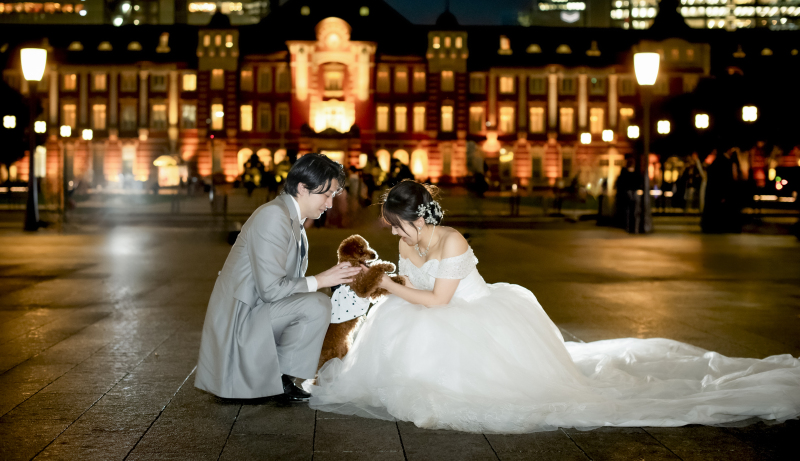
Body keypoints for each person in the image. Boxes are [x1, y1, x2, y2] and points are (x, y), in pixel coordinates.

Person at [308, 180, 800, 433]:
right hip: (421, 311)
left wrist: (388, 287)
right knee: (398, 332)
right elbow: (412, 285)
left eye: (397, 225)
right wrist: (385, 277)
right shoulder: (407, 240)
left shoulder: (452, 241)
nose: (392, 233)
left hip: (468, 315)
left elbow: (438, 300)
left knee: (453, 363)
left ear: (419, 218)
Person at [195, 154, 362, 401]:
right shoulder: (273, 216)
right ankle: (278, 380)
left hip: (255, 310)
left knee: (317, 303)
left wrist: (332, 281)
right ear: (303, 187)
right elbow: (271, 290)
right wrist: (321, 280)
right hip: (241, 320)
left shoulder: (291, 218)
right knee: (316, 304)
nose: (329, 204)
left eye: (332, 196)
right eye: (326, 195)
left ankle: (280, 379)